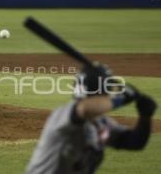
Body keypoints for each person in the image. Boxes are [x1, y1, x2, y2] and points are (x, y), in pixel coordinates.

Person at [25, 63, 157, 174]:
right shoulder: (63, 115)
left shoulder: (101, 123)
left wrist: (145, 117)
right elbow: (84, 109)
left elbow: (134, 142)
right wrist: (121, 99)